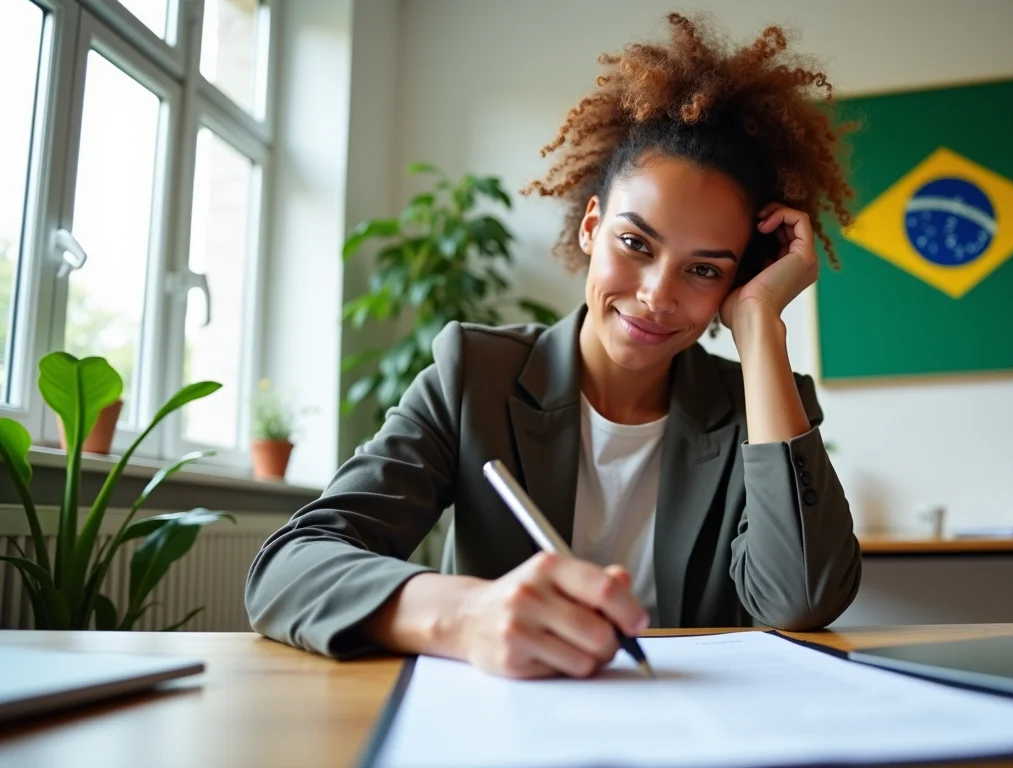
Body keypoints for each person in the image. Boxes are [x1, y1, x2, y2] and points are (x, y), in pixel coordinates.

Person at [245, 13, 862, 679]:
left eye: (705, 270)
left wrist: (761, 327)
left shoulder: (756, 408)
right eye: (636, 242)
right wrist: (464, 615)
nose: (657, 295)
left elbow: (801, 599)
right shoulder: (475, 375)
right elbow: (289, 568)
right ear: (591, 227)